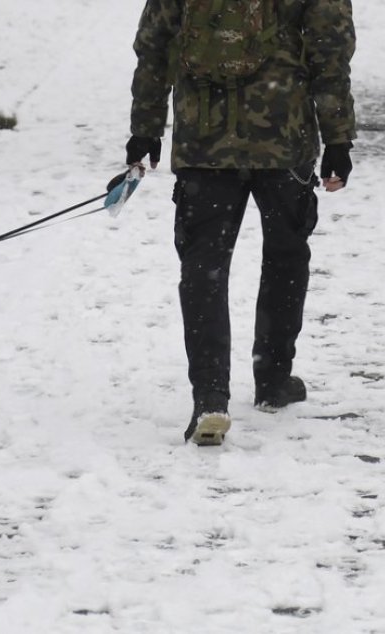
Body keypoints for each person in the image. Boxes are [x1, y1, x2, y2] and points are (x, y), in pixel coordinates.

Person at [107, 0, 356, 445]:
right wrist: (338, 138)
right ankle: (273, 379)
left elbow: (155, 43)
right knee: (285, 256)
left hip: (204, 140)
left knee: (204, 265)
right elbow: (330, 48)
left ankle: (210, 397)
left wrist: (145, 129)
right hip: (284, 137)